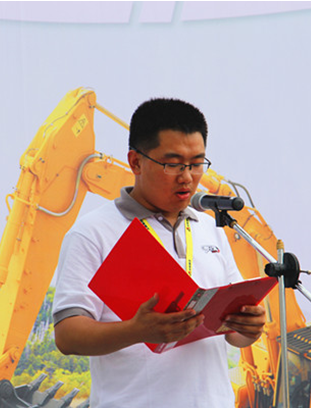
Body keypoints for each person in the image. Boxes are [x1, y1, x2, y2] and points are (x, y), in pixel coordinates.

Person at [52, 97, 266, 407]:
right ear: (135, 162)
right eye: (173, 164)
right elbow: (67, 335)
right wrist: (136, 331)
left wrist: (248, 327)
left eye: (196, 164)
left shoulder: (210, 228)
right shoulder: (93, 232)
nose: (187, 177)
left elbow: (233, 334)